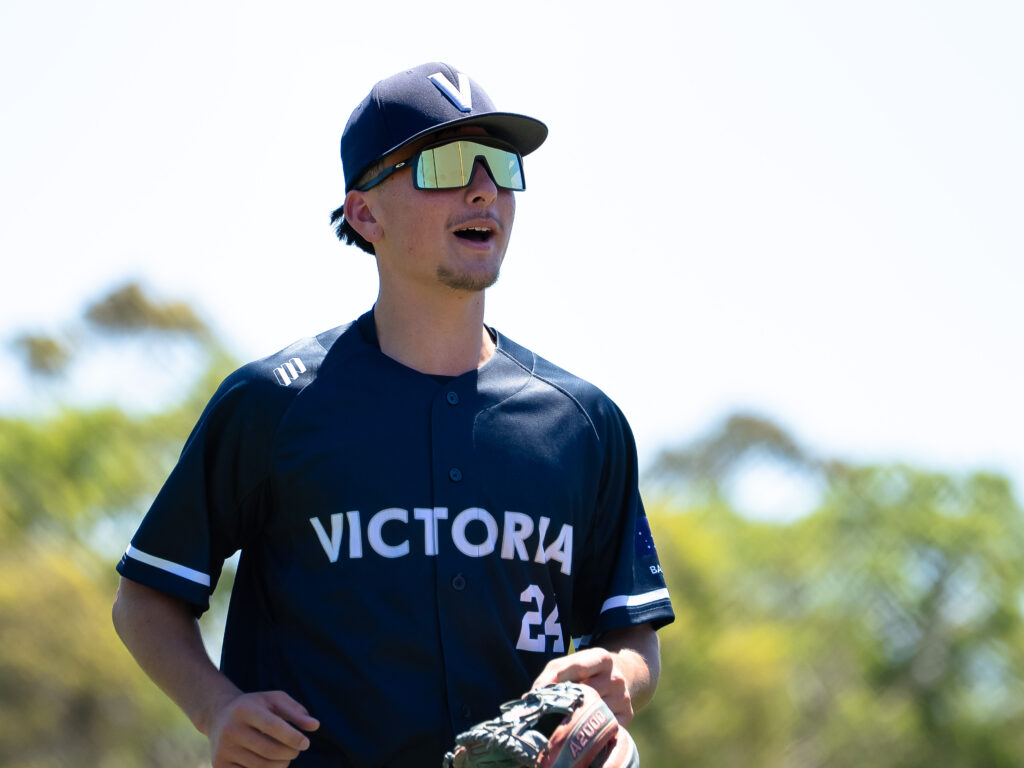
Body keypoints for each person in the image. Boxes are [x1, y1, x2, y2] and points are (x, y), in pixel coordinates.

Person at [112, 61, 675, 768]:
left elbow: (632, 632)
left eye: (500, 166)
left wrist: (618, 676)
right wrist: (214, 706)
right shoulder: (274, 404)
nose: (483, 188)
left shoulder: (583, 423)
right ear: (364, 213)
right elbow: (146, 598)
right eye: (445, 164)